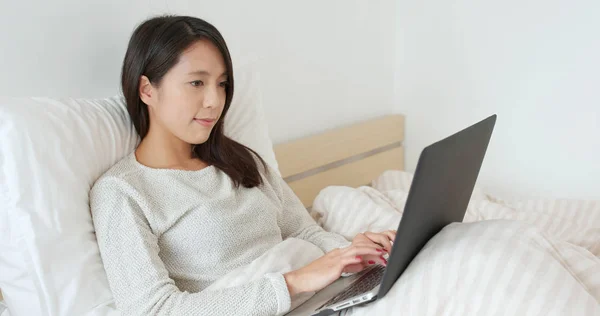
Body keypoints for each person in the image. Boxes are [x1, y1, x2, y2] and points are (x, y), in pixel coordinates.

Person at [90, 15, 395, 316]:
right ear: (147, 90)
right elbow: (152, 310)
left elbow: (304, 231)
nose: (214, 100)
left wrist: (350, 254)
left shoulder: (239, 160)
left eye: (222, 84)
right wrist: (293, 283)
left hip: (331, 297)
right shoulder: (122, 192)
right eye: (197, 82)